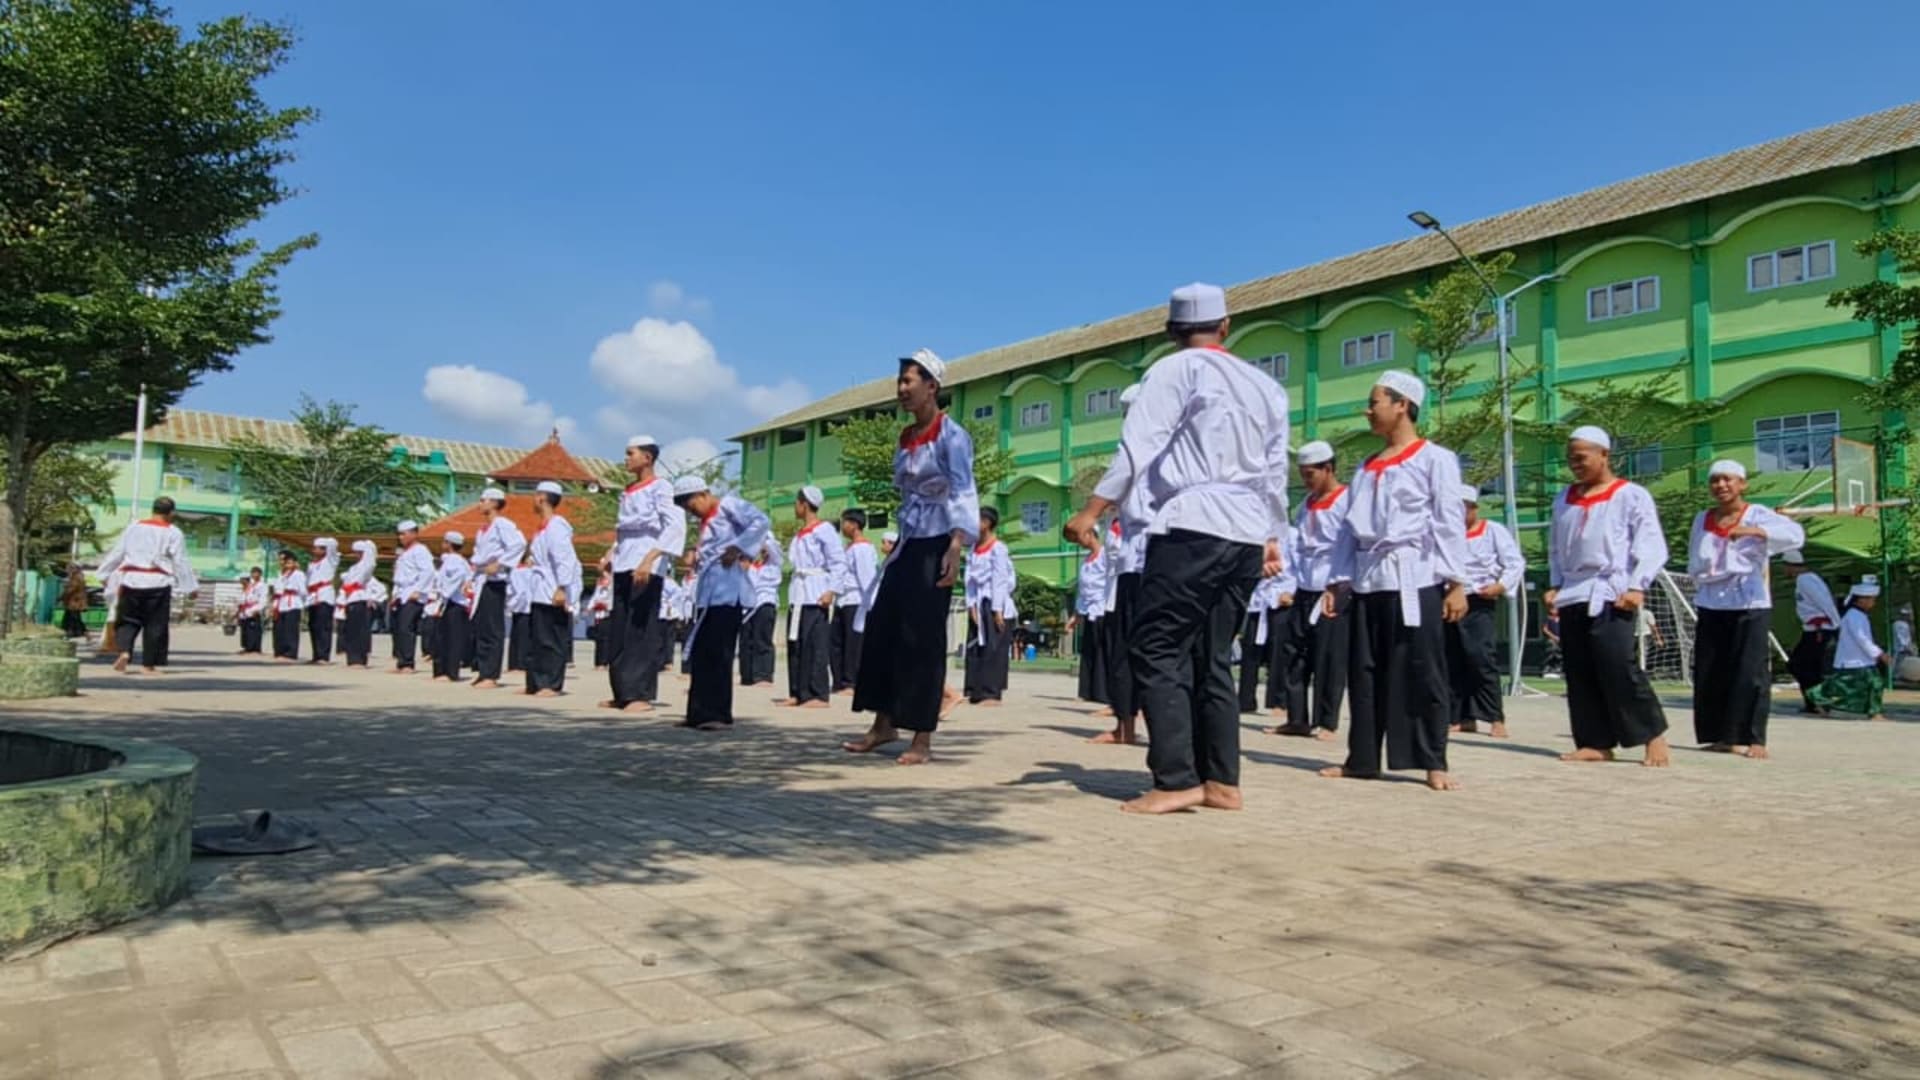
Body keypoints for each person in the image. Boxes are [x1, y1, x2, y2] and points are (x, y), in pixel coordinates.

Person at [1065, 283, 1290, 813]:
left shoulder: (1174, 370)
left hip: (1193, 523)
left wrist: (1093, 510)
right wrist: (1273, 538)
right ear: (1226, 327)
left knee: (1157, 645)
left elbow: (1137, 445)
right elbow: (1276, 470)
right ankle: (1222, 781)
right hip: (1247, 531)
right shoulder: (1266, 387)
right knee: (1209, 656)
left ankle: (1174, 778)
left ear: (1170, 331)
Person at [1317, 372, 1468, 791]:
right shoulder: (1366, 466)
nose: (1369, 410)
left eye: (1375, 401)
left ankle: (1432, 759)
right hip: (1368, 579)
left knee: (1422, 669)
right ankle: (1362, 759)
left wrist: (1456, 581)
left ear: (1402, 404)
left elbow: (1448, 521)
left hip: (1413, 574)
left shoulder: (1434, 458)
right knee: (1364, 672)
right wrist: (1338, 581)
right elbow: (1347, 529)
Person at [845, 349, 979, 765]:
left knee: (923, 639)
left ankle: (922, 736)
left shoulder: (952, 436)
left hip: (939, 541)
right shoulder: (905, 437)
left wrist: (956, 546)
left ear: (931, 386)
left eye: (909, 381)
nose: (901, 389)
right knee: (885, 630)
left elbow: (963, 490)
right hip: (907, 542)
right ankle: (883, 723)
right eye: (899, 382)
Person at [1544, 426, 1672, 767]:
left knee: (1617, 665)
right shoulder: (1563, 499)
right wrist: (1555, 583)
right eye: (1571, 458)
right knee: (1580, 670)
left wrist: (1636, 585)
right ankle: (1594, 742)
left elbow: (1651, 544)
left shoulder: (1630, 495)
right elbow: (1556, 547)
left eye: (1582, 457)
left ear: (1604, 455)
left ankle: (1652, 734)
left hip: (1611, 589)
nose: (1576, 464)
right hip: (1573, 592)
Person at [1687, 460, 1804, 758]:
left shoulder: (1758, 514)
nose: (1721, 486)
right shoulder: (1702, 518)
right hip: (1711, 601)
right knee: (1711, 669)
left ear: (1742, 484)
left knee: (1749, 671)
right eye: (1715, 480)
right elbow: (1695, 557)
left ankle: (1754, 738)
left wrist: (1756, 531)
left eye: (1728, 480)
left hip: (1749, 602)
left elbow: (1795, 535)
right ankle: (1721, 735)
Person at [673, 475, 770, 730]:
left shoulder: (729, 506)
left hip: (728, 592)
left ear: (703, 494)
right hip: (707, 594)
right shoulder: (705, 523)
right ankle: (698, 712)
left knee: (719, 653)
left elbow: (761, 521)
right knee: (702, 653)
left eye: (691, 504)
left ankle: (718, 713)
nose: (691, 511)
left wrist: (738, 548)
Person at [1274, 440, 1349, 740]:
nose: (1306, 481)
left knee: (1329, 658)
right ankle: (1297, 718)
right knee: (1294, 654)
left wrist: (1342, 586)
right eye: (1303, 474)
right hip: (1304, 587)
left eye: (1310, 474)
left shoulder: (1347, 500)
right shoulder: (1304, 506)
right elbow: (1296, 550)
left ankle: (1326, 721)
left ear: (1328, 468)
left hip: (1333, 588)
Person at [602, 435, 681, 713]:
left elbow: (674, 525)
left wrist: (650, 559)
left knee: (642, 627)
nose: (626, 459)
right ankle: (622, 690)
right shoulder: (629, 489)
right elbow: (623, 530)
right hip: (625, 559)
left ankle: (640, 693)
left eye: (631, 453)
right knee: (621, 626)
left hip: (646, 560)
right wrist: (611, 554)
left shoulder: (661, 487)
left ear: (647, 457)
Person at [1095, 386, 1153, 746]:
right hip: (1142, 562)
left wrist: (1091, 512)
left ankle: (1129, 726)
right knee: (1135, 651)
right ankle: (1125, 725)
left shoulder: (1138, 447)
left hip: (1143, 562)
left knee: (1134, 650)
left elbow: (1113, 488)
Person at [1451, 486, 1525, 738]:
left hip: (1479, 599)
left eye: (1464, 508)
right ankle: (1463, 716)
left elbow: (1514, 562)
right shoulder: (1447, 534)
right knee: (1454, 659)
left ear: (1474, 508)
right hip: (1451, 599)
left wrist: (1500, 586)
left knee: (1481, 657)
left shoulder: (1493, 531)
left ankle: (1495, 716)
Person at [97, 496, 198, 674]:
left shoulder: (133, 527)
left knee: (128, 621)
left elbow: (118, 552)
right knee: (155, 625)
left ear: (153, 509)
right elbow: (180, 561)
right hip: (158, 582)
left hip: (131, 580)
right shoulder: (173, 532)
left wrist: (103, 573)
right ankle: (148, 665)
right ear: (171, 513)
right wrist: (190, 587)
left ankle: (125, 652)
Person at [777, 485, 846, 708]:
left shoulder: (824, 530)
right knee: (796, 643)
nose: (795, 507)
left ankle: (817, 693)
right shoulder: (800, 534)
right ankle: (797, 690)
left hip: (816, 592)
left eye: (796, 503)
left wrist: (831, 590)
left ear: (804, 504)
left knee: (815, 644)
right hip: (798, 593)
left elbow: (838, 562)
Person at [523, 480, 581, 697]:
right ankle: (536, 682)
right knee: (537, 637)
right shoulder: (543, 527)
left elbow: (564, 559)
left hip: (552, 587)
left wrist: (562, 588)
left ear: (542, 498)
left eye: (535, 495)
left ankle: (550, 683)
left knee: (551, 638)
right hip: (539, 588)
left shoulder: (557, 526)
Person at [1809, 577, 1892, 719]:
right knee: (1871, 683)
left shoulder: (1858, 615)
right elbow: (1862, 639)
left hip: (1859, 659)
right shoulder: (1854, 616)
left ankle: (1872, 711)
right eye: (1871, 599)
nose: (1873, 602)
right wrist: (1880, 654)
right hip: (1853, 659)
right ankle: (1874, 712)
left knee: (1862, 685)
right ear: (1861, 600)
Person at [470, 487, 528, 689]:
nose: (480, 504)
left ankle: (491, 674)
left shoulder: (502, 524)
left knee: (493, 627)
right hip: (482, 579)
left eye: (483, 500)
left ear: (494, 503)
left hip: (495, 581)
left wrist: (501, 563)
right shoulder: (482, 529)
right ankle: (482, 669)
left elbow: (518, 544)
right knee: (481, 626)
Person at [963, 506, 1016, 706]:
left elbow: (1001, 579)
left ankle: (992, 693)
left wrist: (997, 609)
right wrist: (971, 606)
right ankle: (975, 689)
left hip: (995, 601)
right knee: (976, 646)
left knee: (995, 648)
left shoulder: (998, 548)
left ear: (986, 523)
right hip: (978, 601)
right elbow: (969, 579)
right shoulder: (973, 550)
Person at [1782, 550, 1841, 713]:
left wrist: (1835, 624)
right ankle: (1813, 702)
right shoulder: (1806, 579)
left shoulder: (1806, 580)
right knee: (1805, 666)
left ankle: (1819, 700)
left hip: (1818, 630)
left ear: (1791, 566)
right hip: (1812, 629)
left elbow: (1824, 601)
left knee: (1802, 666)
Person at [835, 509, 879, 694]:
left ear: (854, 524)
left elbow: (867, 579)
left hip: (856, 600)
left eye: (844, 522)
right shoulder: (850, 547)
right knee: (837, 642)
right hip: (843, 600)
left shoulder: (862, 549)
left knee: (853, 644)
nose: (842, 526)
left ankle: (851, 682)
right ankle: (839, 680)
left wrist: (871, 606)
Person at [1237, 569, 1289, 715]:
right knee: (1250, 652)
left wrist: (1292, 591)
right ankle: (1245, 700)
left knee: (1278, 652)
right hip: (1257, 601)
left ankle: (1279, 701)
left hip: (1281, 598)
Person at [389, 520, 434, 674]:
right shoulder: (404, 553)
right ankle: (401, 661)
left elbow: (428, 572)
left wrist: (419, 591)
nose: (401, 537)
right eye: (399, 534)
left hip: (412, 593)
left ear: (414, 534)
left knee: (407, 627)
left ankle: (408, 663)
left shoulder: (420, 550)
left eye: (404, 534)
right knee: (399, 628)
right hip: (401, 592)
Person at [1070, 535, 1108, 707]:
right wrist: (1076, 614)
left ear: (1091, 534)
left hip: (1103, 607)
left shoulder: (1105, 555)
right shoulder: (1086, 560)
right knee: (1087, 650)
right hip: (1087, 608)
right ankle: (1086, 691)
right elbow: (1082, 589)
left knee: (1102, 650)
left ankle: (1102, 692)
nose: (1080, 542)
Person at [432, 531, 472, 682]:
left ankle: (450, 672)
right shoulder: (451, 560)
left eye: (444, 541)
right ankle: (441, 670)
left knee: (452, 639)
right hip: (448, 601)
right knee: (443, 637)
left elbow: (457, 578)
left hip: (454, 602)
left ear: (449, 544)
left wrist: (444, 593)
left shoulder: (456, 561)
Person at [739, 542, 780, 685]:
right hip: (747, 606)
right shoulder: (748, 566)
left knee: (762, 639)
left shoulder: (773, 564)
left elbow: (773, 547)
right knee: (746, 641)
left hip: (764, 603)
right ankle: (747, 675)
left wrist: (762, 536)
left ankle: (763, 675)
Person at [338, 539, 378, 668]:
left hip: (360, 598)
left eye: (360, 552)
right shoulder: (352, 568)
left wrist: (369, 548)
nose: (357, 555)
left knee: (360, 631)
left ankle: (360, 659)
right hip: (350, 598)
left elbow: (371, 562)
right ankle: (352, 657)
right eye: (356, 552)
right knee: (351, 630)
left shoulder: (367, 565)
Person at [303, 537, 339, 664]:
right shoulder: (312, 565)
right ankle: (316, 654)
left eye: (318, 548)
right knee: (313, 626)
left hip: (324, 595)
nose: (315, 550)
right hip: (313, 596)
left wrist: (325, 543)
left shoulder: (330, 561)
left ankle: (324, 655)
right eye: (314, 548)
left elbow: (333, 545)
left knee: (323, 626)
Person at [271, 549, 305, 661]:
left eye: (284, 560)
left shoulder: (298, 574)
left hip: (293, 603)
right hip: (280, 603)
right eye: (281, 560)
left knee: (290, 629)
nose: (282, 562)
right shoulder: (281, 574)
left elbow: (303, 590)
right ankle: (279, 651)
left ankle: (290, 653)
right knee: (280, 629)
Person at [506, 559, 533, 674]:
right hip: (525, 607)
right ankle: (520, 664)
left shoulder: (516, 572)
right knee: (522, 637)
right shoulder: (522, 572)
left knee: (516, 636)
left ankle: (514, 664)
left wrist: (511, 606)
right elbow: (520, 592)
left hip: (520, 607)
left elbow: (511, 591)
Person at [235, 567, 267, 654]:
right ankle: (247, 647)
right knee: (245, 629)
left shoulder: (262, 585)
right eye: (253, 573)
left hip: (254, 608)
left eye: (256, 573)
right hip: (245, 609)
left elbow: (263, 599)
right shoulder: (251, 586)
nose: (254, 575)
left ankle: (254, 648)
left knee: (253, 629)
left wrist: (258, 609)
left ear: (260, 574)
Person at [60, 566, 91, 643]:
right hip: (75, 601)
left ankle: (71, 633)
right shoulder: (79, 576)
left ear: (73, 569)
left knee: (74, 618)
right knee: (73, 618)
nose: (67, 570)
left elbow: (71, 589)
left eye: (68, 569)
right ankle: (70, 633)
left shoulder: (75, 577)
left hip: (74, 602)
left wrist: (62, 596)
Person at [588, 578, 613, 669]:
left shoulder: (612, 587)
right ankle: (598, 662)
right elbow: (594, 598)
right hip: (598, 616)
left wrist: (606, 605)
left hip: (607, 615)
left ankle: (604, 662)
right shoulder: (599, 587)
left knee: (605, 639)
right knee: (598, 639)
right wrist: (590, 607)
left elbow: (611, 601)